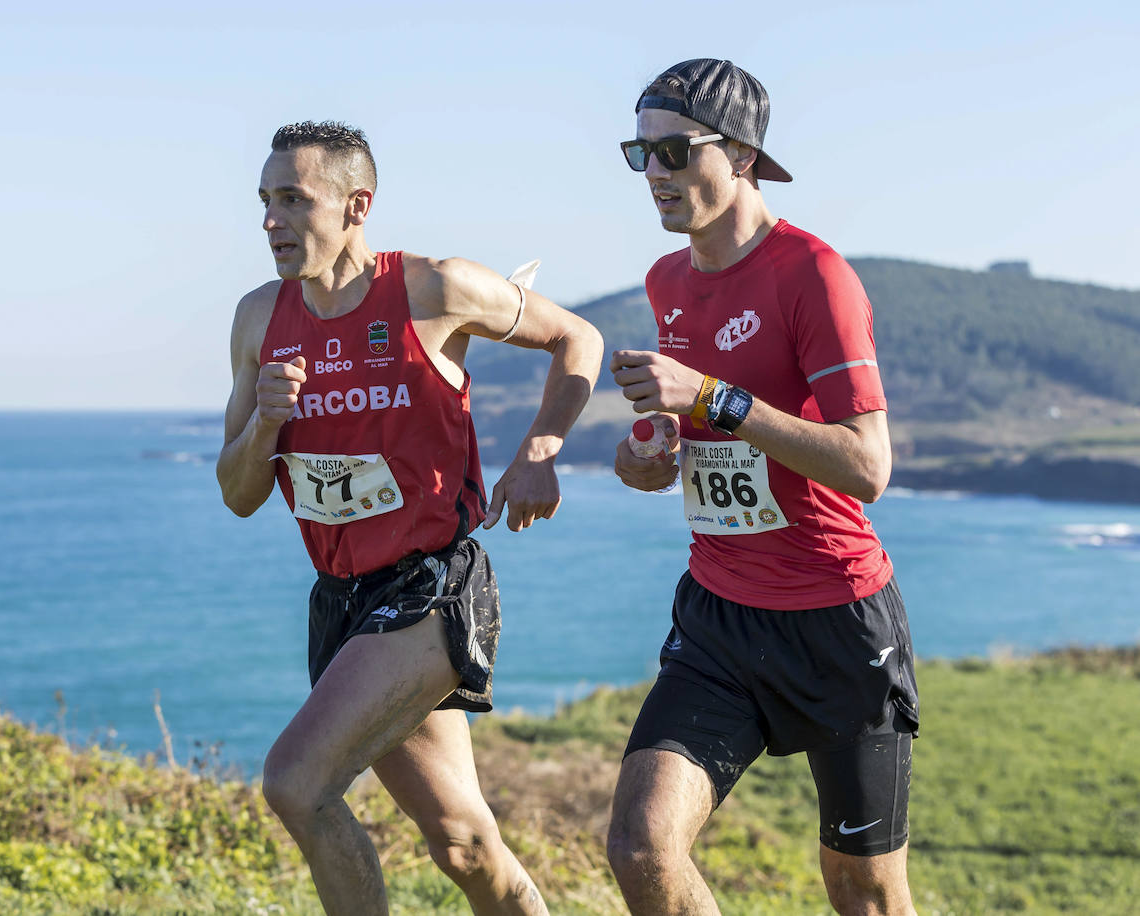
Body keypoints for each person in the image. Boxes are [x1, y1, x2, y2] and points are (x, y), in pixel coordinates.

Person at [217, 120, 602, 914]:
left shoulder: (434, 288)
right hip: (343, 600)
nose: (270, 222)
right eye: (263, 201)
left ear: (357, 205)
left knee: (297, 784)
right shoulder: (259, 319)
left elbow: (577, 336)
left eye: (293, 199)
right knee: (462, 842)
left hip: (431, 588)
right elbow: (239, 491)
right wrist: (264, 424)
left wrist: (541, 447)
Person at [605, 60, 919, 915]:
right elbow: (696, 437)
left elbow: (868, 466)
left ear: (740, 154)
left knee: (864, 889)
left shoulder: (814, 274)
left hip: (836, 618)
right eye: (641, 155)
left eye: (674, 150)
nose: (656, 174)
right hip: (720, 617)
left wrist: (712, 397)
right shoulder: (666, 281)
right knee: (640, 844)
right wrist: (652, 456)